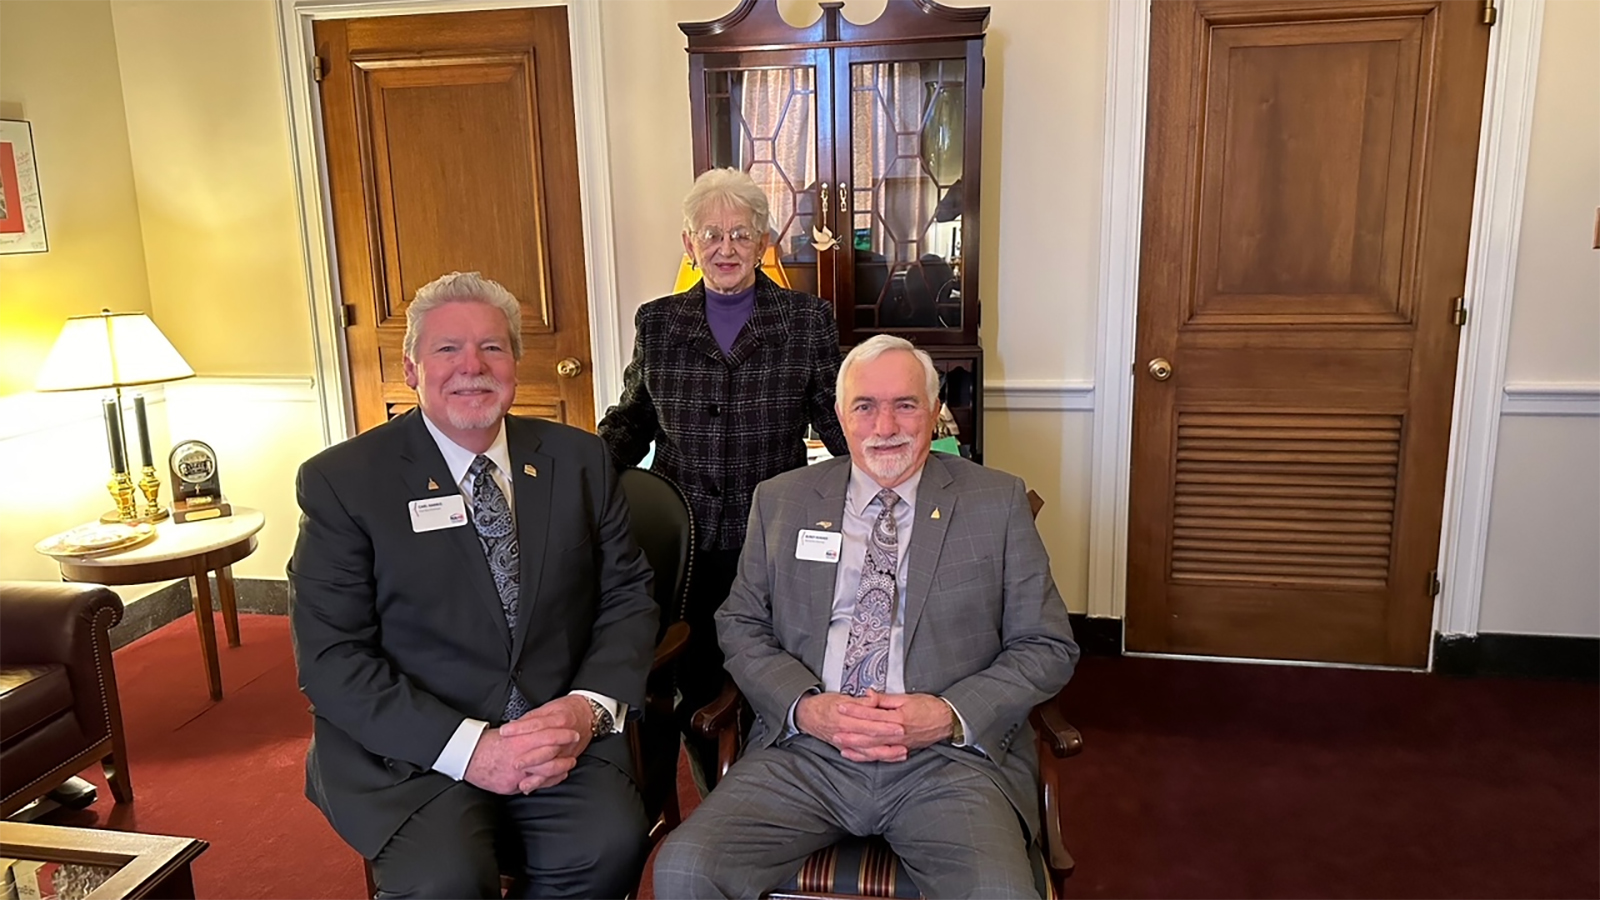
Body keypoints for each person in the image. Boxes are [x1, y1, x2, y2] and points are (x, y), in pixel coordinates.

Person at [653, 335, 1081, 899]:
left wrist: (947, 715)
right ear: (839, 415)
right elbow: (741, 623)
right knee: (685, 869)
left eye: (905, 404)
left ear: (934, 411)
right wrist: (806, 708)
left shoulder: (996, 502)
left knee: (1000, 891)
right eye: (865, 406)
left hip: (946, 762)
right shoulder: (782, 500)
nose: (885, 426)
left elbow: (1047, 646)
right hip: (807, 752)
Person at [288, 271, 658, 899]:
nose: (472, 367)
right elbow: (331, 657)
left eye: (492, 347)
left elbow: (627, 596)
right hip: (412, 749)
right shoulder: (344, 482)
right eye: (448, 349)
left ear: (514, 363)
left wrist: (586, 707)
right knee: (445, 881)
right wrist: (471, 749)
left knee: (607, 848)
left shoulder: (580, 459)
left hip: (554, 728)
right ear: (412, 369)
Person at [598, 167, 849, 779]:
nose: (726, 247)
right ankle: (716, 793)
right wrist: (577, 471)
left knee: (778, 675)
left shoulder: (806, 320)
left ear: (763, 241)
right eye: (711, 234)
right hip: (688, 546)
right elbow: (634, 420)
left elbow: (837, 421)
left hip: (775, 539)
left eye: (740, 233)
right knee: (696, 681)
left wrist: (890, 471)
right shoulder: (658, 323)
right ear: (689, 244)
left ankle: (779, 787)